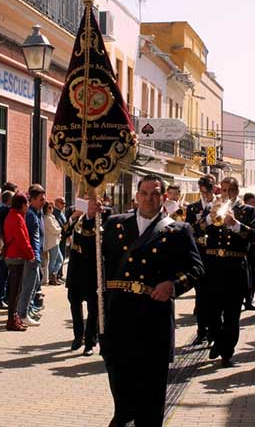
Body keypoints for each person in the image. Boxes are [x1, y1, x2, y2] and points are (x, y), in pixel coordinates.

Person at [101, 175, 204, 427]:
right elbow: (92, 257)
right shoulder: (114, 224)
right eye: (144, 193)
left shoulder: (178, 230)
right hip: (119, 319)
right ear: (136, 196)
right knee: (122, 396)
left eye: (155, 193)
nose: (149, 198)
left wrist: (173, 285)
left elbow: (197, 269)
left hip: (153, 320)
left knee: (151, 400)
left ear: (164, 197)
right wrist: (86, 221)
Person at [198, 176, 255, 367]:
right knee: (212, 312)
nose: (224, 194)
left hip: (235, 266)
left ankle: (227, 352)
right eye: (222, 190)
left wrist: (235, 224)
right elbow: (195, 230)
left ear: (236, 192)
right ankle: (217, 339)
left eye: (229, 190)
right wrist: (209, 218)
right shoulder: (210, 209)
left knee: (232, 313)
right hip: (213, 265)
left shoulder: (247, 210)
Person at [66, 199, 105, 356]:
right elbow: (65, 232)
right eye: (89, 204)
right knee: (74, 303)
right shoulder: (77, 219)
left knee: (93, 308)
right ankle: (78, 336)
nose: (91, 207)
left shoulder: (104, 220)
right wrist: (73, 217)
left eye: (95, 205)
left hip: (92, 270)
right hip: (76, 268)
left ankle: (90, 342)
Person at [184, 174, 217, 345]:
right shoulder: (192, 208)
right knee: (201, 296)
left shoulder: (220, 206)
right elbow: (189, 230)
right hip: (200, 255)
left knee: (214, 296)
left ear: (214, 188)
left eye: (208, 190)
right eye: (202, 191)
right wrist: (206, 221)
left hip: (216, 257)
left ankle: (213, 331)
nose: (205, 194)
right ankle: (201, 330)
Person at [3, 192, 34, 332]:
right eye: (26, 203)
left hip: (12, 254)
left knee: (15, 290)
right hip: (16, 256)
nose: (27, 206)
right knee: (15, 291)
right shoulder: (17, 217)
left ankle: (14, 317)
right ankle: (11, 320)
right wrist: (30, 254)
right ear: (21, 204)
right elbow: (22, 238)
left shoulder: (13, 215)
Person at [18, 184, 45, 327]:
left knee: (33, 286)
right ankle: (23, 315)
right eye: (41, 199)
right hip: (31, 257)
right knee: (28, 286)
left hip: (36, 255)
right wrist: (33, 255)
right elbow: (29, 237)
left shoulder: (37, 213)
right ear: (32, 199)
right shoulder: (30, 215)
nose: (43, 202)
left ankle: (25, 312)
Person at [0, 190, 15, 309]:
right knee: (2, 274)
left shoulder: (1, 209)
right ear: (9, 200)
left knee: (2, 273)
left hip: (3, 244)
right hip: (5, 245)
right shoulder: (5, 210)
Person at [242, 192, 255, 311]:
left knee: (254, 274)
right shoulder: (243, 213)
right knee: (246, 276)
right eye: (253, 202)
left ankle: (249, 300)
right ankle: (244, 298)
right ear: (246, 202)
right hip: (246, 248)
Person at [43, 201, 64, 285]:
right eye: (49, 207)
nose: (51, 209)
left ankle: (53, 275)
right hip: (52, 242)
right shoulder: (47, 218)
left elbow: (57, 227)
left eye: (52, 207)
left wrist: (58, 229)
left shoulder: (51, 217)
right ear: (45, 209)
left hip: (56, 241)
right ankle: (52, 278)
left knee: (60, 259)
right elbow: (55, 230)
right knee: (54, 260)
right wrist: (60, 230)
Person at [53, 196, 68, 281]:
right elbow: (59, 225)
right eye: (62, 203)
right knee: (58, 258)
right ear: (57, 203)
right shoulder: (55, 212)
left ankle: (60, 274)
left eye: (65, 203)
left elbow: (65, 224)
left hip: (64, 237)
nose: (64, 205)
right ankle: (57, 275)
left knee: (63, 255)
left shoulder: (61, 212)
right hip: (58, 238)